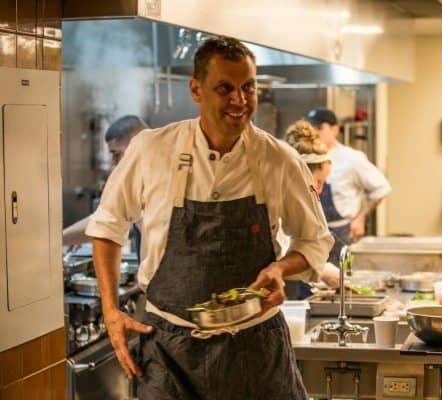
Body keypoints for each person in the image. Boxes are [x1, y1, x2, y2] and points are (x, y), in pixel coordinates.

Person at [85, 36, 333, 400]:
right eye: (225, 88)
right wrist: (110, 310)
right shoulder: (152, 149)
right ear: (196, 90)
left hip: (256, 351)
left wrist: (281, 269)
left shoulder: (279, 158)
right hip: (170, 352)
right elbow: (107, 226)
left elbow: (314, 241)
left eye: (248, 87)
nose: (240, 100)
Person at [307, 107, 391, 264]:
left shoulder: (352, 159)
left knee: (340, 284)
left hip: (341, 234)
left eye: (319, 128)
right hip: (310, 235)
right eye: (310, 128)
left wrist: (360, 218)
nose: (314, 133)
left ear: (335, 129)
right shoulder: (303, 156)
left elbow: (382, 188)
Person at [62, 115, 148, 258]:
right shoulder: (136, 181)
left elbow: (103, 224)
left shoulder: (152, 179)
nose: (114, 162)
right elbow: (105, 220)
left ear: (137, 144)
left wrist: (57, 240)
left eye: (116, 154)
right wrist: (68, 236)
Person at [282, 119, 339, 289]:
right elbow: (277, 256)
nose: (320, 190)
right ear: (301, 175)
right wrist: (322, 270)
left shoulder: (301, 203)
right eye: (318, 182)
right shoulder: (275, 201)